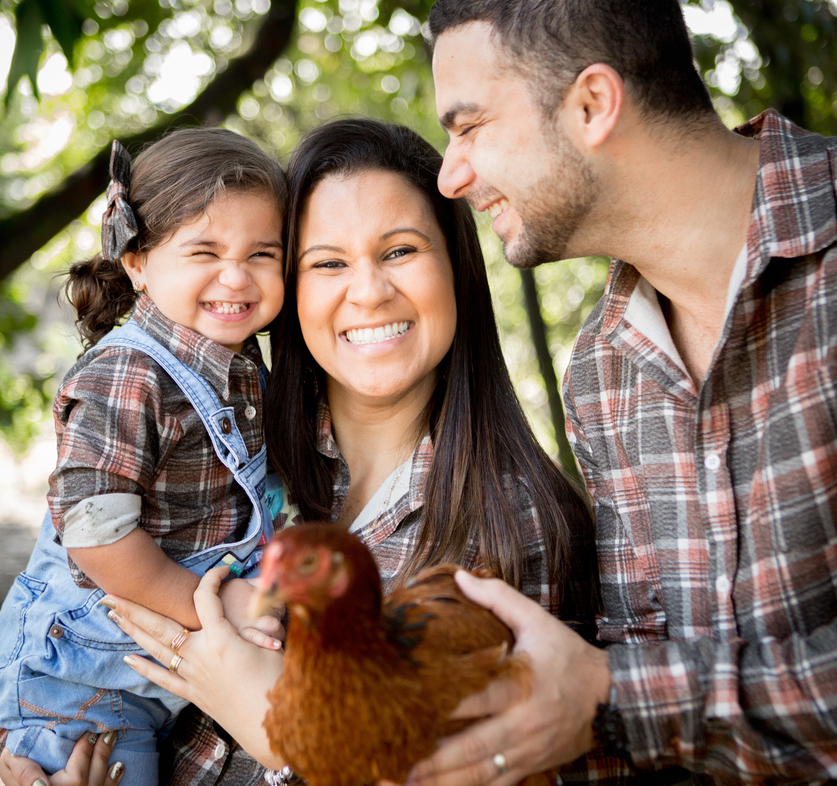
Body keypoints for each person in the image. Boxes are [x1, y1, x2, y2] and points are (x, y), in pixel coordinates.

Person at [405, 0, 837, 784]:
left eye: (469, 127)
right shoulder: (602, 368)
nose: (450, 176)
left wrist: (613, 695)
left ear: (592, 104)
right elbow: (641, 676)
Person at [83, 117, 602, 786]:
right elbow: (76, 612)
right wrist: (44, 747)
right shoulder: (213, 456)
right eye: (328, 262)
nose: (369, 291)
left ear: (457, 268)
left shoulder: (518, 529)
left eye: (400, 251)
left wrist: (280, 737)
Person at [0, 127, 289, 785]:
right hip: (78, 685)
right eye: (204, 251)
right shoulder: (129, 373)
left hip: (147, 672)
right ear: (138, 262)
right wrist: (213, 609)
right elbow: (95, 533)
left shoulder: (240, 367)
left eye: (263, 254)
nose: (237, 276)